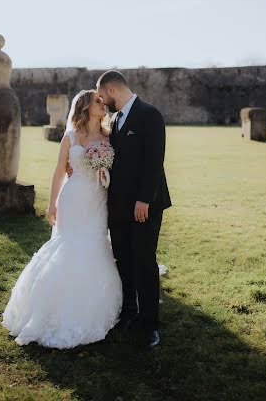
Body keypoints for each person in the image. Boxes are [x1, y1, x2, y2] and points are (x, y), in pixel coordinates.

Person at [1, 90, 122, 349]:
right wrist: (51, 204)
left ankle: (91, 303)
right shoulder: (70, 137)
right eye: (98, 101)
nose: (104, 105)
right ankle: (50, 306)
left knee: (95, 243)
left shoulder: (109, 135)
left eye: (103, 101)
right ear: (86, 107)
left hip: (99, 200)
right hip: (73, 198)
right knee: (69, 245)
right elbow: (59, 172)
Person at [96, 70, 171, 349]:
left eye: (102, 96)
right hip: (118, 206)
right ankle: (130, 312)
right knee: (123, 261)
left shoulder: (149, 114)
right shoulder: (113, 120)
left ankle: (150, 324)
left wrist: (144, 200)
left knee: (144, 262)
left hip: (145, 205)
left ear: (112, 90)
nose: (103, 102)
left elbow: (154, 161)